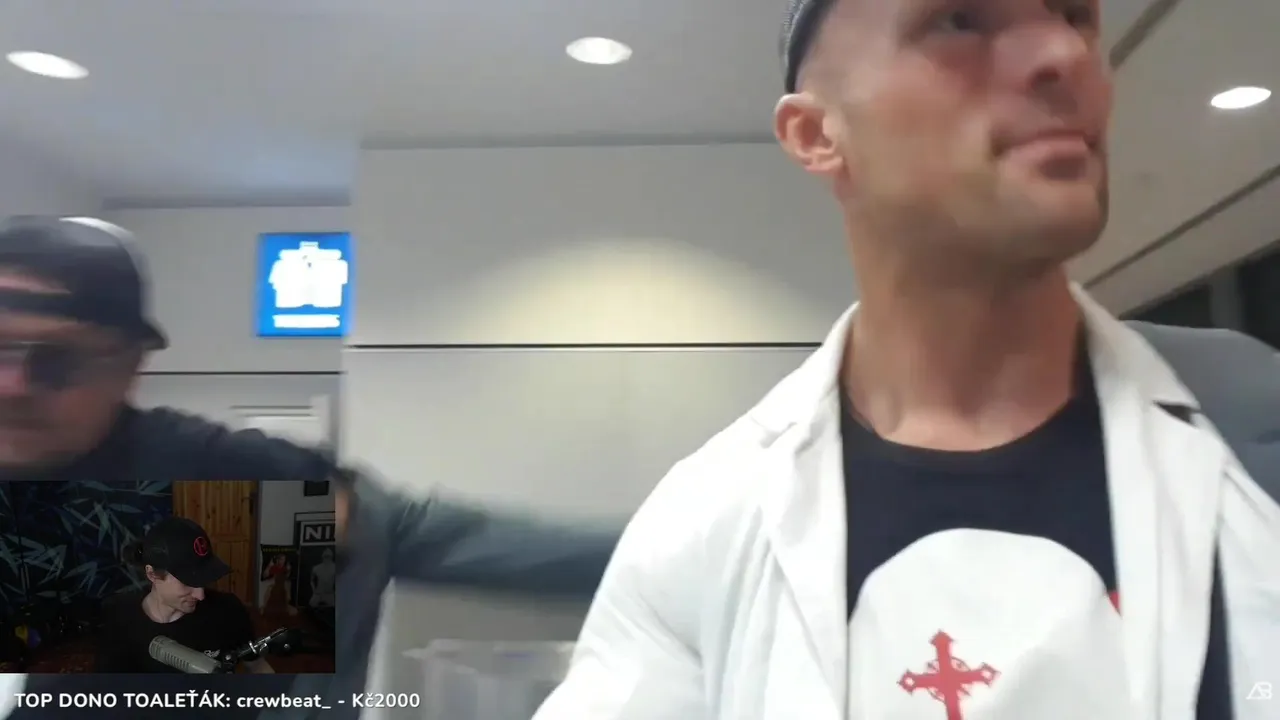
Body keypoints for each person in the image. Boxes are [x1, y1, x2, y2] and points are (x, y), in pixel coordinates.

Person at [534, 2, 1280, 719]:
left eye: (1071, 12)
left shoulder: (1254, 439)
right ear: (817, 135)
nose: (1064, 54)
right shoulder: (701, 531)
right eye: (959, 20)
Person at [0, 216, 621, 718]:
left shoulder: (206, 470)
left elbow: (413, 532)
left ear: (129, 365)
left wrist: (670, 550)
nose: (13, 385)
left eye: (57, 361)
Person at [95, 516, 271, 673]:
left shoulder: (228, 610)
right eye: (187, 582)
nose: (200, 595)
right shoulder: (120, 621)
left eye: (203, 579)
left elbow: (257, 665)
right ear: (152, 574)